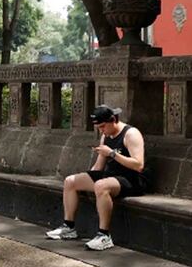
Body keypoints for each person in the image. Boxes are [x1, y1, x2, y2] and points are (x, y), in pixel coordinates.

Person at [45, 106, 147, 251]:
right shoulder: (105, 136)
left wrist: (112, 154)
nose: (101, 130)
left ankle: (104, 235)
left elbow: (139, 165)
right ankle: (69, 227)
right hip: (110, 176)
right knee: (70, 181)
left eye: (103, 126)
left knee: (100, 185)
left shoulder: (131, 134)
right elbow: (98, 167)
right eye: (98, 127)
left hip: (131, 179)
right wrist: (86, 178)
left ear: (113, 120)